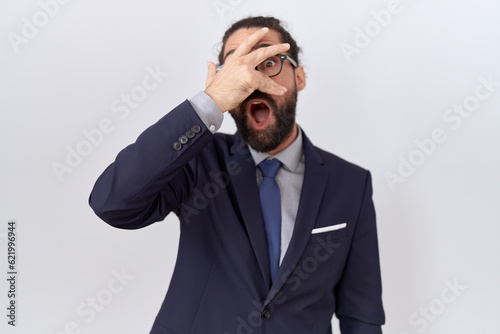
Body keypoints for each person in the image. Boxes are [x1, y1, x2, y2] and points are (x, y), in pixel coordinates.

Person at [89, 16, 385, 334]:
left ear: (299, 76)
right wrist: (209, 103)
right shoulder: (198, 160)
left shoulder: (351, 183)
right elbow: (112, 203)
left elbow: (361, 315)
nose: (254, 80)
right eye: (238, 68)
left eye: (269, 61)